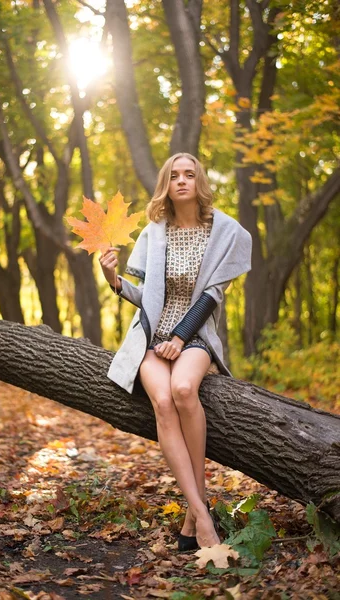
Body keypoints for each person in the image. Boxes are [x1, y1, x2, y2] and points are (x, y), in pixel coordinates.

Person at [99, 153, 252, 550]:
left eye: (190, 174)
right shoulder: (155, 232)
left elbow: (211, 297)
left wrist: (181, 338)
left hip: (195, 335)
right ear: (166, 184)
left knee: (185, 390)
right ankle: (202, 518)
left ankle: (193, 516)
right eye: (174, 176)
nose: (182, 181)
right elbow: (145, 297)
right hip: (151, 336)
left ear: (199, 181)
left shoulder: (224, 231)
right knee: (163, 401)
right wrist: (113, 279)